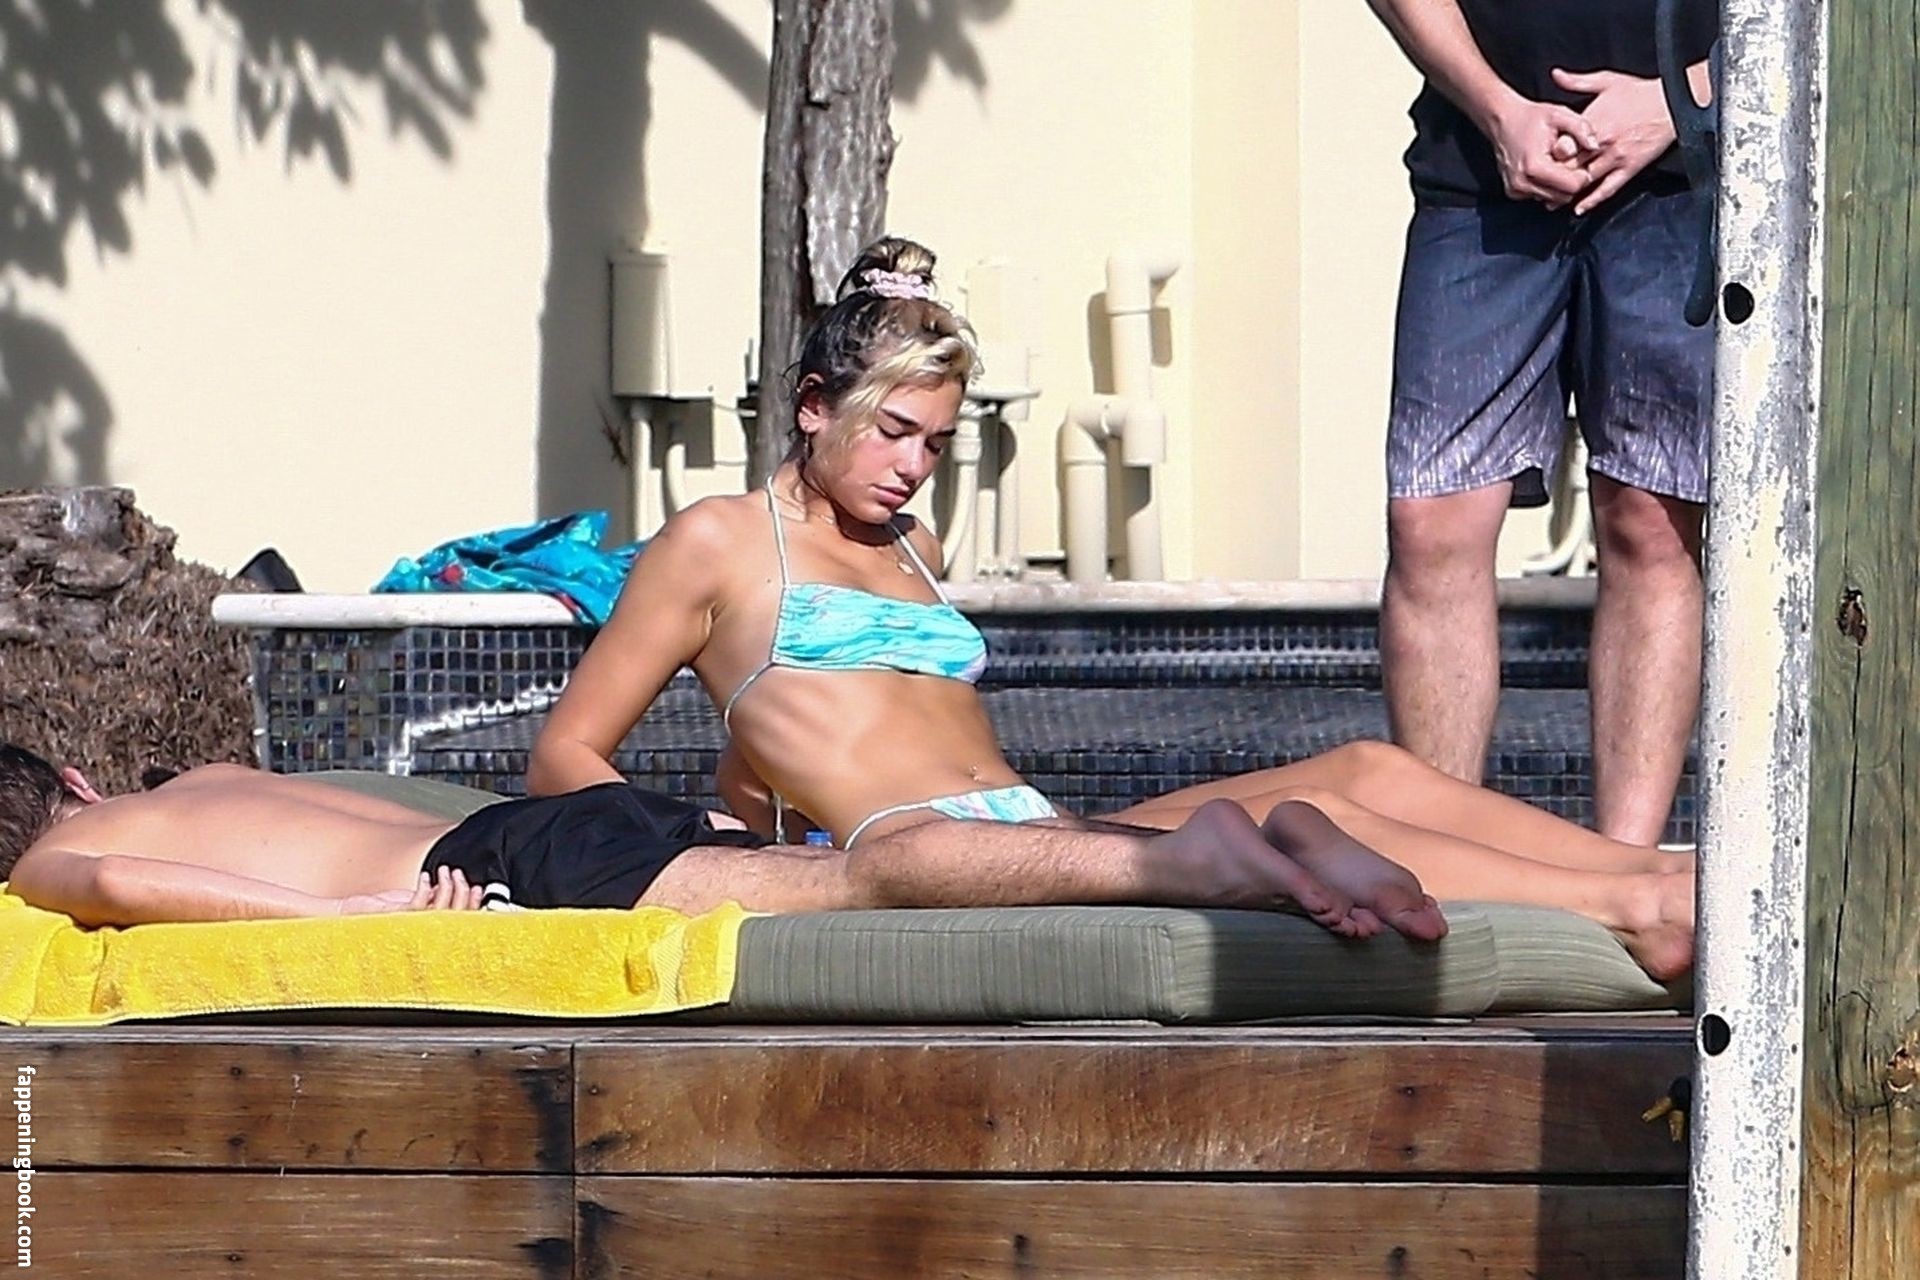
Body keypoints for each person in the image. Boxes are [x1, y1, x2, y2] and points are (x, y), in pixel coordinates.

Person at [526, 238, 1694, 979]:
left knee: (1364, 767)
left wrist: (766, 792)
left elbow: (808, 728)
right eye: (891, 432)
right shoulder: (719, 539)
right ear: (814, 405)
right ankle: (1629, 906)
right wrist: (712, 847)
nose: (912, 468)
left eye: (935, 443)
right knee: (1313, 817)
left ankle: (1660, 872)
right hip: (926, 856)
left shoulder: (915, 544)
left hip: (1030, 825)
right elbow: (566, 753)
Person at [1366, 0, 1717, 845]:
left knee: (1653, 522)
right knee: (1432, 522)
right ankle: (1437, 861)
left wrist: (1680, 100)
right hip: (1478, 175)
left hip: (1686, 183)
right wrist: (1498, 110)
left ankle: (1620, 874)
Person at [0, 745, 1401, 938]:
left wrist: (347, 926)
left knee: (864, 884)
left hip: (508, 869)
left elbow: (112, 879)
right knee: (835, 870)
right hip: (540, 824)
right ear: (74, 771)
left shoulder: (45, 862)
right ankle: (1209, 836)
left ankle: (1183, 862)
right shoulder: (208, 771)